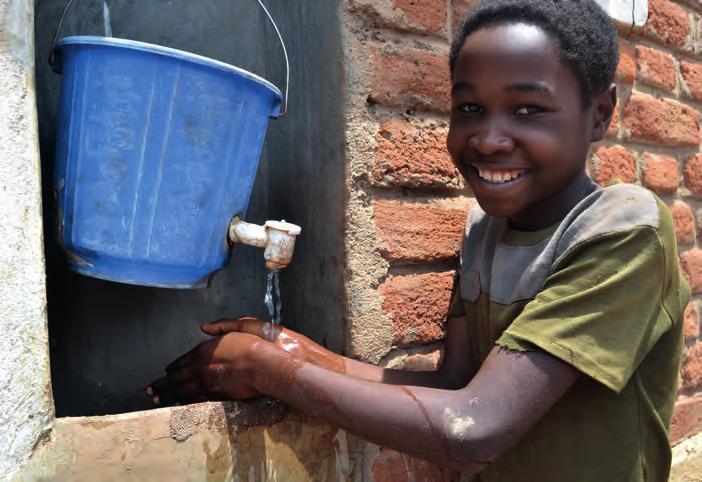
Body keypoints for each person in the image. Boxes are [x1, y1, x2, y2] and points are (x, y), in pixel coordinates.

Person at [147, 1, 690, 480]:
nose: (489, 138)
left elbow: (474, 430)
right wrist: (298, 350)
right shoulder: (484, 233)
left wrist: (266, 370)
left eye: (528, 110)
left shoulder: (624, 230)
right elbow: (456, 384)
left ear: (598, 115)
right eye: (470, 108)